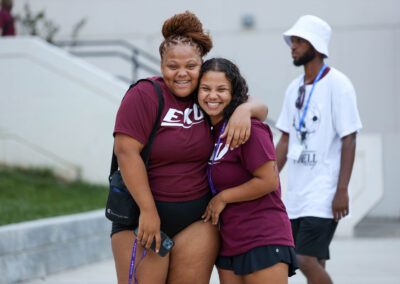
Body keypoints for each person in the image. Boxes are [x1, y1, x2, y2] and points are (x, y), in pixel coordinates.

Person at [111, 11, 268, 284]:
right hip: (143, 218)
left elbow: (258, 105)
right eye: (173, 66)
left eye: (191, 66)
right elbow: (125, 151)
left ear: (201, 66)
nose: (182, 74)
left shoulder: (206, 95)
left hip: (197, 221)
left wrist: (245, 110)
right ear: (161, 65)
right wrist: (148, 212)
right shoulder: (145, 94)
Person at [275, 15, 362, 284]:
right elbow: (285, 139)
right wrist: (267, 178)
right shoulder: (294, 88)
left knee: (304, 259)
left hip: (323, 193)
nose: (293, 46)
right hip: (296, 194)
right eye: (293, 41)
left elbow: (349, 139)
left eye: (300, 41)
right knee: (314, 260)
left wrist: (342, 190)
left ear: (316, 45)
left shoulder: (339, 84)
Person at [197, 57, 298, 284]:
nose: (212, 96)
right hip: (229, 240)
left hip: (262, 235)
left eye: (221, 89)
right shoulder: (210, 131)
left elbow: (269, 180)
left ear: (234, 94)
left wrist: (223, 197)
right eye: (205, 89)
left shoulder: (249, 128)